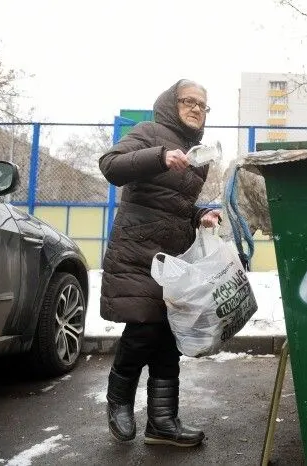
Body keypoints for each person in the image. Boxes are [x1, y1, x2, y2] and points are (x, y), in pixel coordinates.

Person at [98, 79, 221, 447]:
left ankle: (162, 422)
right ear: (172, 103)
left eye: (203, 105)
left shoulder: (198, 153)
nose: (197, 109)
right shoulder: (149, 132)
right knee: (143, 330)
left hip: (173, 262)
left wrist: (200, 215)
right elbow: (111, 165)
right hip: (137, 252)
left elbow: (174, 204)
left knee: (169, 337)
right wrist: (158, 155)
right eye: (189, 101)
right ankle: (118, 399)